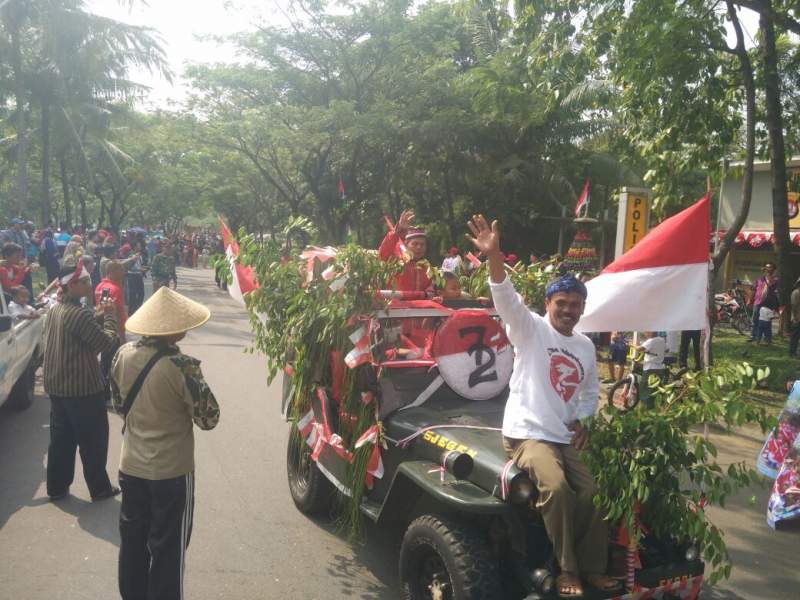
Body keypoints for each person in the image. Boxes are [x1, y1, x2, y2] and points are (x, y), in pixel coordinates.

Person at [466, 214, 619, 597]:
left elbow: (587, 392)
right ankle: (568, 569)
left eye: (575, 305)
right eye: (562, 303)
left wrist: (584, 421)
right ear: (548, 303)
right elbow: (506, 298)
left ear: (583, 309)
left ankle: (593, 567)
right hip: (528, 435)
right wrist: (495, 256)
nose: (568, 310)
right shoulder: (531, 329)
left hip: (566, 436)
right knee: (558, 488)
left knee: (597, 491)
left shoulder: (584, 346)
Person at [111, 287, 219, 600]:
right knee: (168, 546)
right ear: (172, 330)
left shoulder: (123, 354)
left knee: (132, 539)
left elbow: (119, 404)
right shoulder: (181, 366)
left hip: (130, 465)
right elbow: (209, 418)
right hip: (170, 471)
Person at [43, 260, 120, 501]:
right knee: (93, 442)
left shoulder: (57, 309)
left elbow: (81, 330)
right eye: (85, 282)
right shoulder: (77, 313)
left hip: (58, 387)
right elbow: (106, 343)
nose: (90, 285)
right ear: (72, 285)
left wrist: (96, 314)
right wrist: (109, 316)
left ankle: (56, 487)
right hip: (82, 389)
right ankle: (99, 489)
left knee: (61, 441)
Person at [378, 209, 432, 293]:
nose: (419, 247)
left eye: (422, 245)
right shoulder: (396, 262)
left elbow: (431, 287)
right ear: (406, 245)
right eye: (415, 244)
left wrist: (432, 292)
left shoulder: (426, 267)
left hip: (421, 305)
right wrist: (397, 230)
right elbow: (382, 253)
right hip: (397, 304)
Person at [749, 262, 780, 341]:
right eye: (766, 267)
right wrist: (750, 300)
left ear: (774, 269)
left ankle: (767, 338)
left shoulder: (775, 279)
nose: (768, 269)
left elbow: (770, 284)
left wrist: (768, 275)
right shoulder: (759, 279)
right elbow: (753, 289)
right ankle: (753, 336)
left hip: (768, 304)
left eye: (770, 267)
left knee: (766, 321)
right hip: (758, 302)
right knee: (755, 319)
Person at [637, 332, 666, 408]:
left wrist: (631, 344)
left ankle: (646, 409)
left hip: (650, 368)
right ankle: (655, 406)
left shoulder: (650, 341)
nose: (646, 333)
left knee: (645, 390)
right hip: (660, 368)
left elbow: (639, 349)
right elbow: (667, 349)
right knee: (655, 389)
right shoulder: (661, 340)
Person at [789, 277, 800, 357]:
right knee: (795, 337)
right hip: (797, 319)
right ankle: (792, 352)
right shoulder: (796, 292)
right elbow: (793, 306)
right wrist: (796, 318)